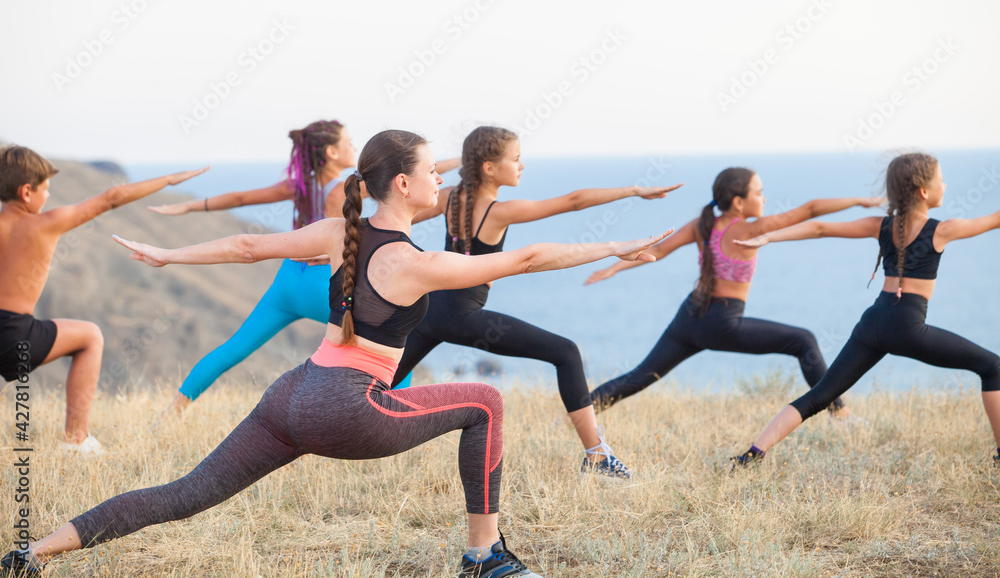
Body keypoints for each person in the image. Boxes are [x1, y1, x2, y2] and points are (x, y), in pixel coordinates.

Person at [0, 130, 666, 577]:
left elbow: (243, 248)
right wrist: (610, 246)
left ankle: (36, 550)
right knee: (485, 400)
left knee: (185, 494)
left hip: (291, 394)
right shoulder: (412, 261)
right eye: (429, 170)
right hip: (344, 409)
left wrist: (170, 252)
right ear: (401, 186)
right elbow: (525, 258)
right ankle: (484, 554)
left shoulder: (337, 231)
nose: (440, 179)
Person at [391, 126, 681, 478]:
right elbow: (572, 202)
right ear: (489, 168)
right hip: (461, 317)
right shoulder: (497, 211)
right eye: (515, 159)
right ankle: (597, 457)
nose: (522, 165)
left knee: (372, 389)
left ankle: (330, 423)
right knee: (566, 352)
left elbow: (396, 220)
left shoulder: (450, 196)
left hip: (428, 311)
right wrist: (633, 191)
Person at [152, 120, 458, 416]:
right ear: (332, 153)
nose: (353, 146)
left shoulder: (297, 185)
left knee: (235, 348)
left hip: (287, 279)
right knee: (396, 334)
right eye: (348, 142)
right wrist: (456, 163)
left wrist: (188, 206)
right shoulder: (345, 189)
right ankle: (398, 413)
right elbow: (397, 177)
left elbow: (241, 198)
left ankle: (170, 413)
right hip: (320, 282)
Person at [732, 152, 1000, 467]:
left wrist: (767, 238)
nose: (945, 185)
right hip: (906, 327)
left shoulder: (882, 226)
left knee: (819, 396)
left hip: (873, 323)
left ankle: (750, 456)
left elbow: (819, 228)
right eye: (941, 180)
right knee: (993, 367)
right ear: (924, 192)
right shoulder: (942, 230)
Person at [587, 167, 882, 416]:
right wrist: (858, 200)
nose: (764, 198)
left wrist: (614, 267)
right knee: (804, 341)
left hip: (689, 317)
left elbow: (658, 251)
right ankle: (840, 413)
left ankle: (579, 413)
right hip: (722, 323)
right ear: (739, 203)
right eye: (759, 192)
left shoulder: (702, 225)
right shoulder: (751, 230)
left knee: (639, 376)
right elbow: (811, 209)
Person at [0, 145, 204, 455]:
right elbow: (112, 197)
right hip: (16, 336)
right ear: (27, 192)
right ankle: (76, 440)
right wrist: (168, 180)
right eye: (46, 190)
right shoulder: (45, 224)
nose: (49, 197)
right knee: (90, 336)